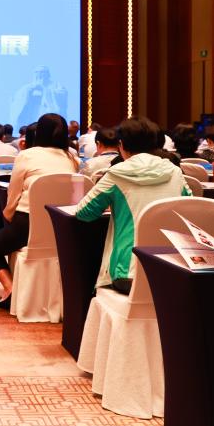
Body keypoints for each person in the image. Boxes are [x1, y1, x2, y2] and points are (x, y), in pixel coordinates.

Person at [76, 117, 191, 294]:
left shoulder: (116, 174)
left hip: (127, 274)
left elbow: (84, 212)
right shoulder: (174, 171)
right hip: (171, 269)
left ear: (121, 145)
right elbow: (190, 207)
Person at [0, 113, 79, 309]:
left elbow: (13, 192)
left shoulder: (27, 155)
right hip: (63, 227)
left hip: (28, 223)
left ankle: (10, 289)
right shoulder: (72, 158)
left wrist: (8, 216)